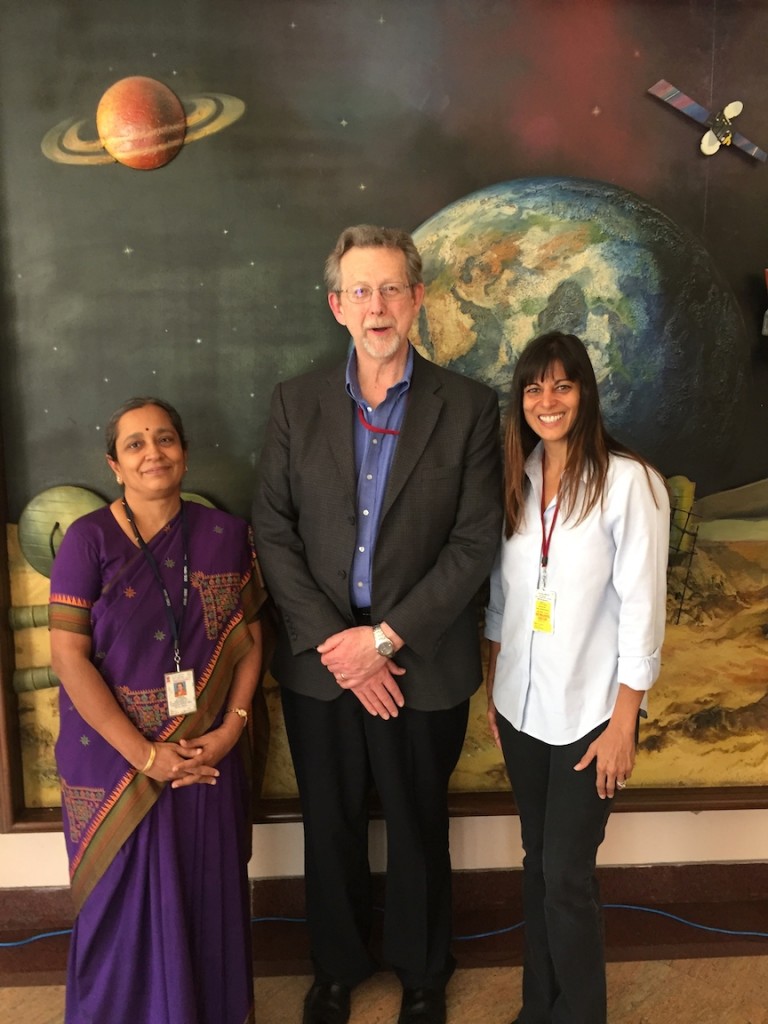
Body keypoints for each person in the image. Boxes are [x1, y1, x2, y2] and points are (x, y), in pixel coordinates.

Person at [253, 225, 502, 1024]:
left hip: (419, 664)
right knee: (329, 824)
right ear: (336, 306)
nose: (378, 305)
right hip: (323, 664)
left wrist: (384, 642)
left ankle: (424, 972)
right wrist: (342, 646)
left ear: (419, 297)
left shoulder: (467, 407)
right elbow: (273, 529)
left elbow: (473, 543)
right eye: (360, 290)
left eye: (392, 287)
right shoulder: (295, 403)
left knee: (417, 821)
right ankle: (337, 966)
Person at [49, 397, 267, 1024]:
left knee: (207, 892)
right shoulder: (87, 541)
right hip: (116, 765)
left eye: (165, 439)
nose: (153, 453)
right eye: (136, 444)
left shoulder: (226, 537)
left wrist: (232, 730)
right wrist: (145, 754)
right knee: (120, 906)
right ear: (114, 464)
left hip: (207, 754)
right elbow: (69, 658)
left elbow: (251, 640)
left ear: (185, 451)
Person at [485, 331, 670, 1024]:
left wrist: (626, 724)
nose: (547, 399)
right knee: (537, 867)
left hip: (592, 715)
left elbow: (643, 614)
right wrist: (497, 698)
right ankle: (540, 1010)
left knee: (566, 876)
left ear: (587, 391)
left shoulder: (631, 483)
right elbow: (504, 603)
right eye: (534, 387)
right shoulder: (519, 476)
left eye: (563, 384)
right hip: (521, 711)